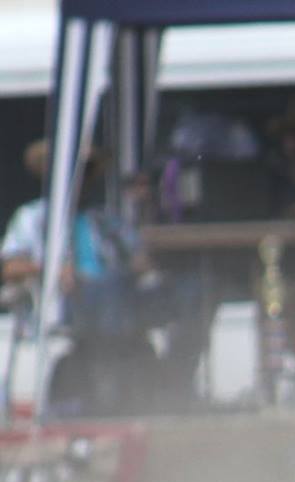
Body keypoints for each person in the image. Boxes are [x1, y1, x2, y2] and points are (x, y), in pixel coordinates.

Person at [1, 139, 206, 412]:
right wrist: (52, 268)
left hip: (120, 293)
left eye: (85, 171)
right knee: (109, 290)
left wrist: (146, 253)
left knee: (193, 292)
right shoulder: (33, 217)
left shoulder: (104, 218)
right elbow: (9, 266)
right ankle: (114, 384)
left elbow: (138, 259)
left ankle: (176, 381)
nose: (81, 179)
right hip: (68, 299)